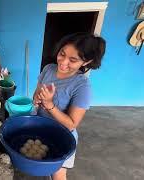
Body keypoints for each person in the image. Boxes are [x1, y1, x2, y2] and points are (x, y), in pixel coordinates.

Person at [33, 33, 106, 180]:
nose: (63, 62)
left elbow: (72, 124)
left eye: (73, 60)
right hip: (41, 129)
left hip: (61, 136)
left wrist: (49, 104)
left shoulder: (81, 86)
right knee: (43, 165)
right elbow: (37, 92)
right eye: (62, 54)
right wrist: (37, 99)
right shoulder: (48, 69)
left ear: (86, 62)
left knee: (58, 174)